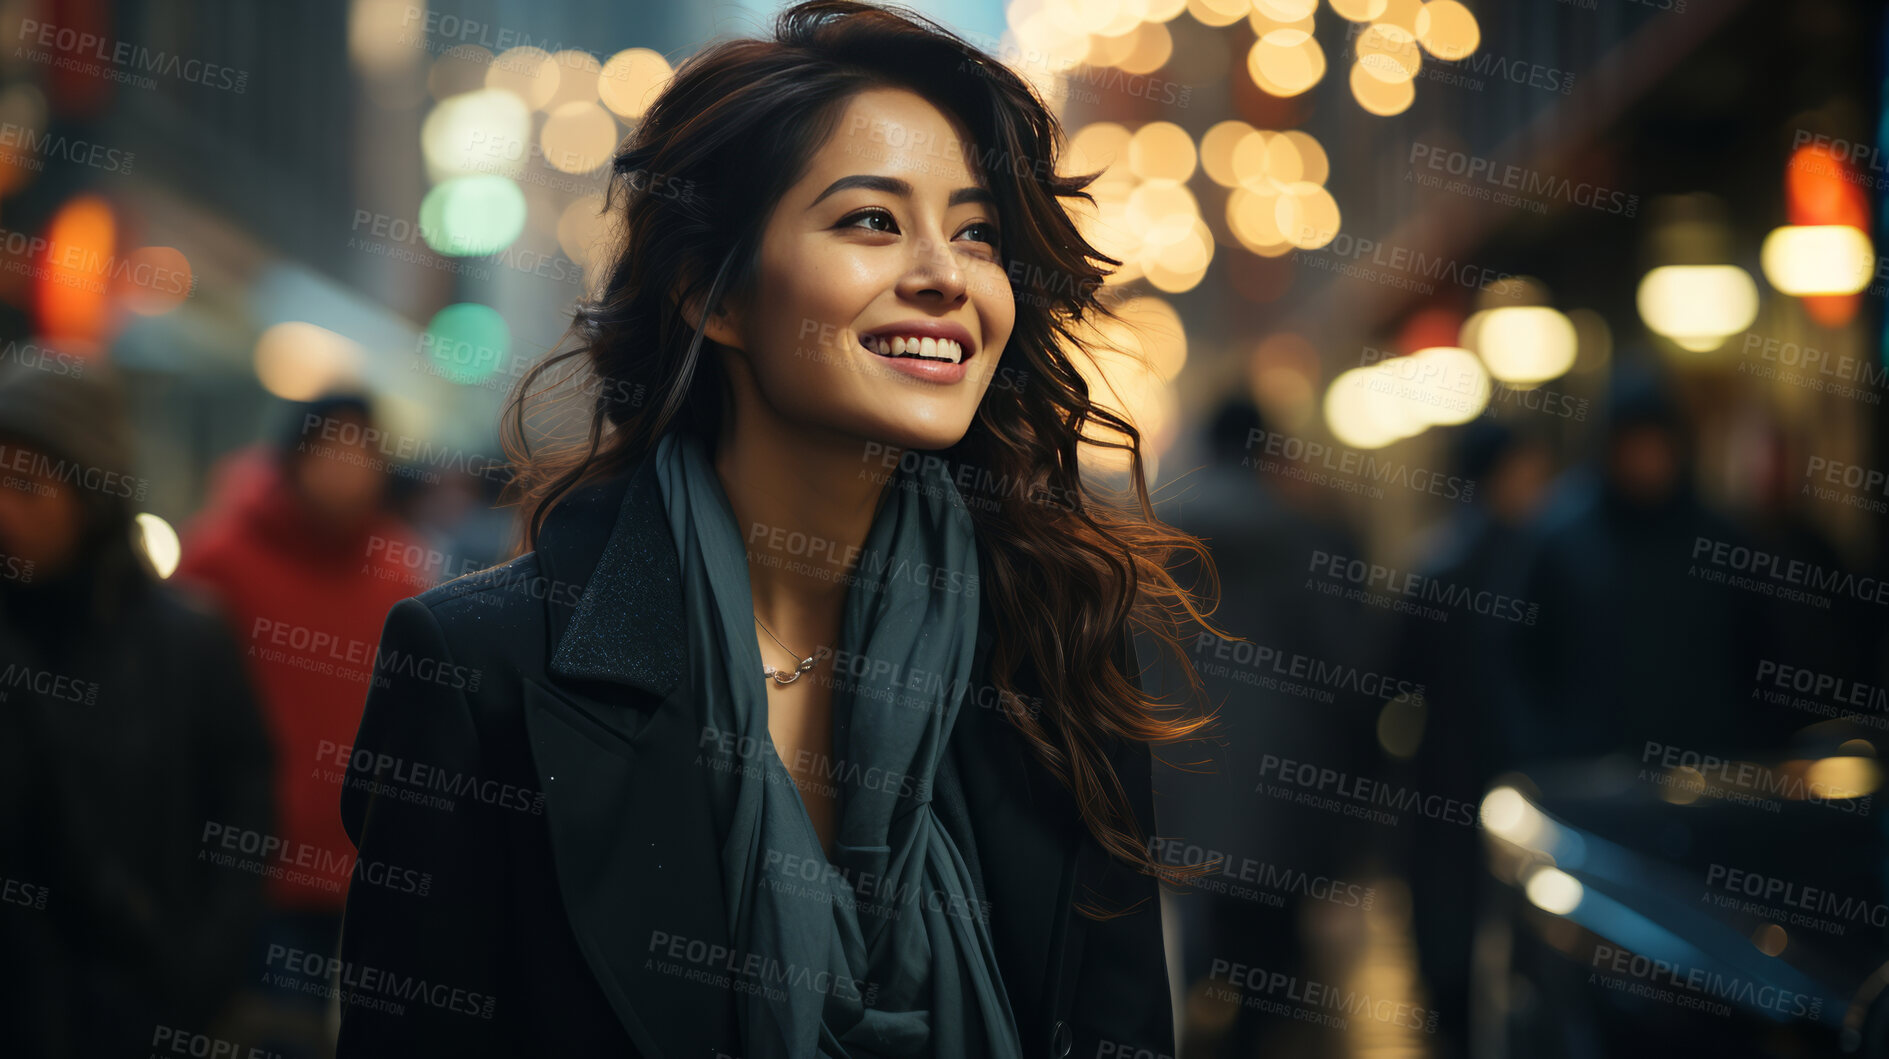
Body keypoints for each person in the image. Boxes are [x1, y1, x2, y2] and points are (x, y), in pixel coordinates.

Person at [334, 2, 1228, 1055]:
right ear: (708, 295)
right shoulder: (480, 668)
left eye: (976, 232)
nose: (947, 276)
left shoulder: (1056, 644)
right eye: (870, 221)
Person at [0, 357, 274, 1055]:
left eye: (28, 483)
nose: (4, 507)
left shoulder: (183, 641)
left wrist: (197, 975)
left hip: (133, 1015)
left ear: (92, 495)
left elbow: (243, 813)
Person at [174, 391, 423, 1048]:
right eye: (329, 446)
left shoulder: (400, 572)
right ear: (294, 455)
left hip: (360, 875)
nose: (346, 465)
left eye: (361, 449)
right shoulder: (219, 559)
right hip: (241, 871)